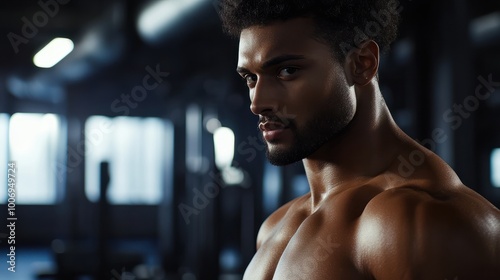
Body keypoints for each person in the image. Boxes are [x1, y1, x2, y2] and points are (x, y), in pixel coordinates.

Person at [218, 0, 500, 279]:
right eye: (251, 78)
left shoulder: (419, 221)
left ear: (362, 64)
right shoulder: (275, 228)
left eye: (287, 71)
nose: (258, 103)